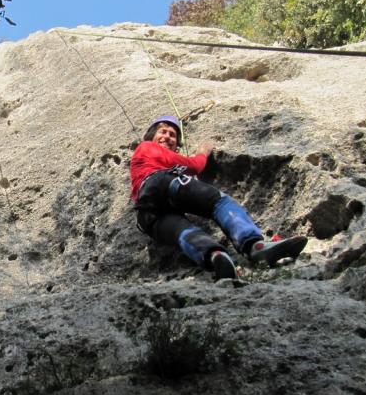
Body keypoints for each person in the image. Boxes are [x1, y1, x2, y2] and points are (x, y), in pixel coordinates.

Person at [130, 115, 306, 281]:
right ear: (151, 136)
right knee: (219, 202)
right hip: (164, 182)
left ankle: (216, 256)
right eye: (162, 131)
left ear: (177, 145)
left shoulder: (144, 157)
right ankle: (254, 245)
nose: (167, 136)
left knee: (181, 231)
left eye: (172, 135)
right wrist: (202, 153)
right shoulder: (146, 146)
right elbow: (194, 166)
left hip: (147, 212)